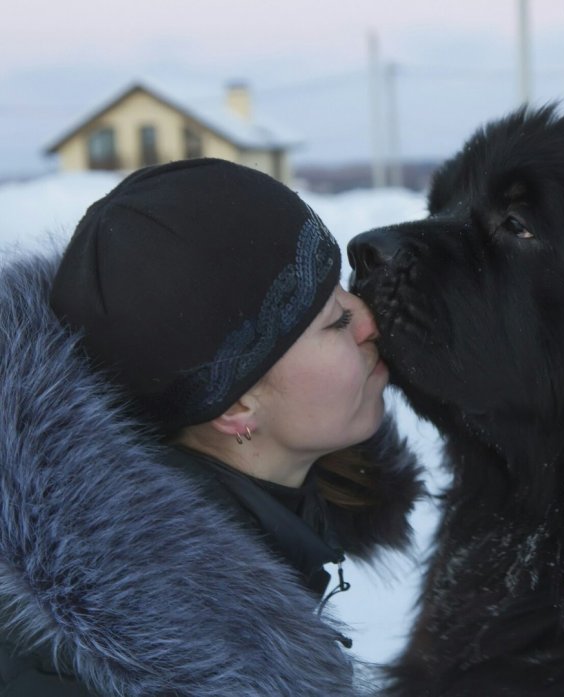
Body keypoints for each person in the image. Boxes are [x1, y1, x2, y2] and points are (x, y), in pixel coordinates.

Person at [0, 158, 423, 696]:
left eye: (343, 290)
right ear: (237, 406)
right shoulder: (75, 668)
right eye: (335, 321)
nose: (367, 318)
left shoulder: (207, 574)